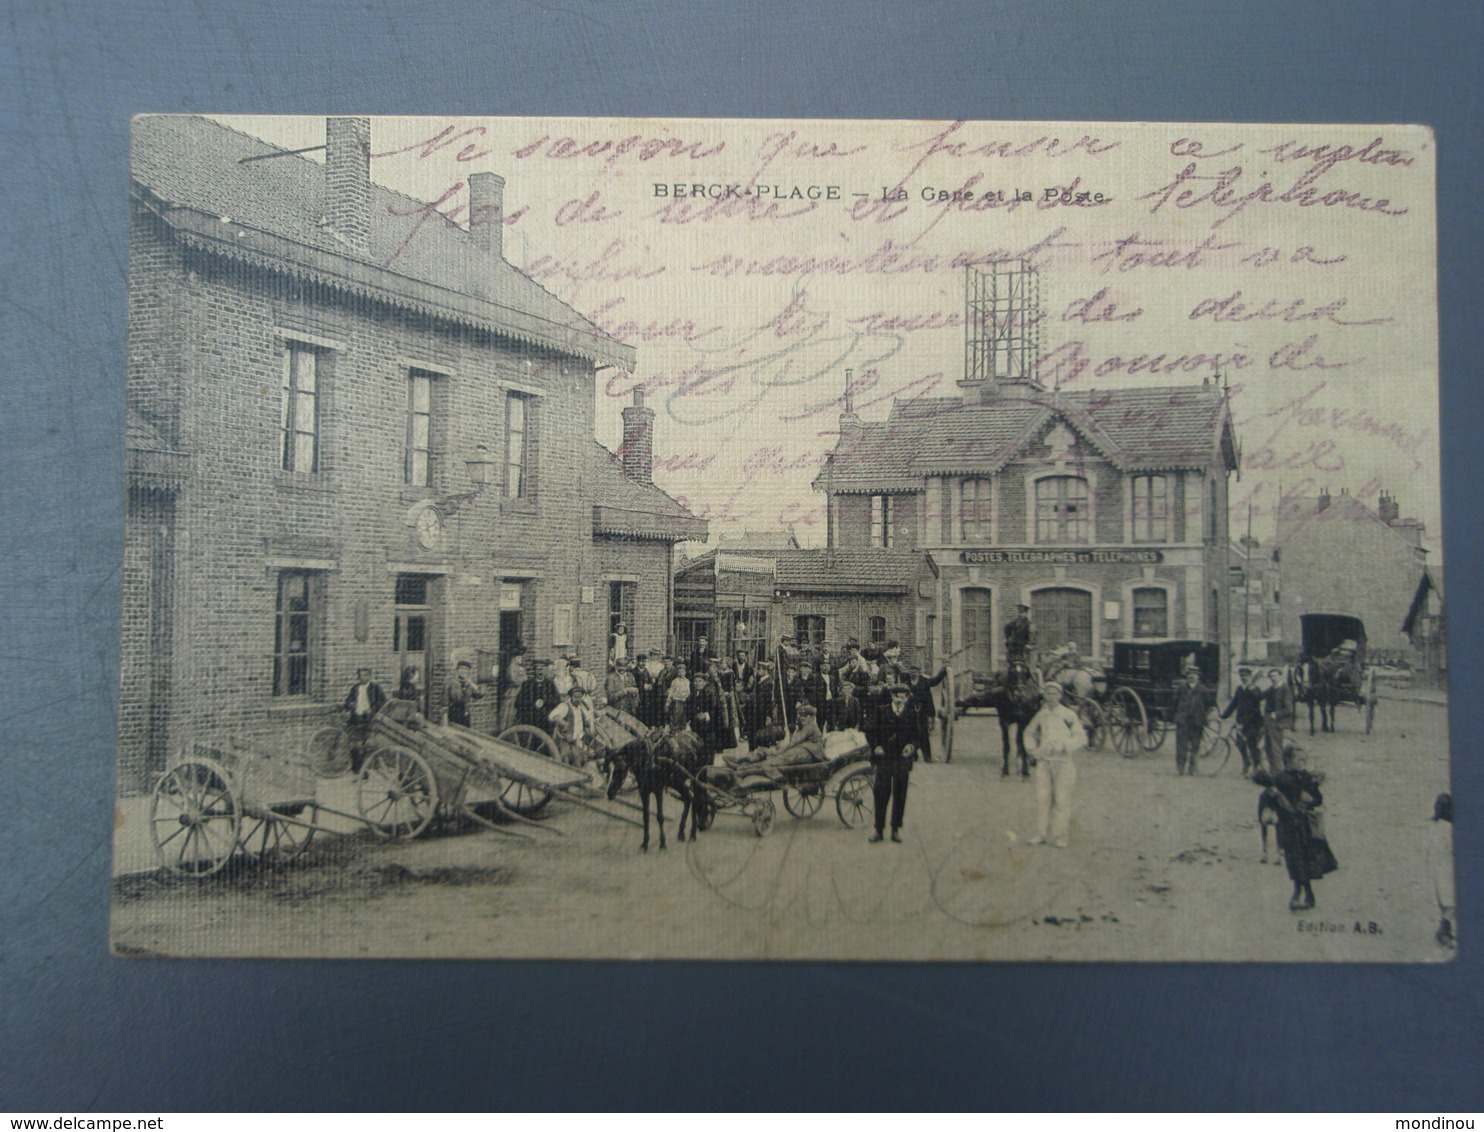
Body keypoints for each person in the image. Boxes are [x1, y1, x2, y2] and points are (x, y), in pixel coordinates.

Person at [1259, 744, 1337, 911]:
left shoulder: (1307, 778)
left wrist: (1311, 799)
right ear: (1288, 761)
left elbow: (1318, 798)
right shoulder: (1280, 779)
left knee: (1303, 860)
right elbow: (1268, 799)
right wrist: (1270, 808)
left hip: (1305, 826)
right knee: (1293, 861)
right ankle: (1304, 893)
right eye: (1298, 759)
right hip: (1287, 827)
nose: (1302, 763)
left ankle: (1301, 893)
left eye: (1304, 760)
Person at [1023, 682, 1084, 848]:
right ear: (1044, 695)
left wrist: (1065, 745)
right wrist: (1032, 750)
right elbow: (1029, 732)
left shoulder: (1068, 715)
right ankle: (1041, 833)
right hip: (1044, 762)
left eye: (1054, 694)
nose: (1050, 697)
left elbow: (1080, 737)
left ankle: (1060, 836)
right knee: (1043, 798)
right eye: (1048, 693)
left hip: (1063, 762)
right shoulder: (1041, 715)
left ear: (1060, 695)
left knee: (1061, 799)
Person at [866, 684, 918, 843]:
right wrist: (876, 746)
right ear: (892, 697)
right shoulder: (881, 711)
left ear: (907, 698)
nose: (900, 700)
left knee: (900, 794)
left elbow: (917, 734)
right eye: (897, 697)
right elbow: (870, 730)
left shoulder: (911, 713)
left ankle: (895, 829)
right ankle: (878, 830)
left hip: (902, 759)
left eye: (903, 697)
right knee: (881, 794)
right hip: (884, 759)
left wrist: (912, 746)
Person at [1221, 666, 1265, 776]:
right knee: (1240, 745)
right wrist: (1224, 715)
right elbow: (1234, 703)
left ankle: (1256, 766)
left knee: (1253, 746)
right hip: (1240, 722)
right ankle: (1246, 763)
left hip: (1253, 723)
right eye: (1242, 676)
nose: (1244, 678)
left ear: (1250, 677)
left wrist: (1244, 724)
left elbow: (1256, 707)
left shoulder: (1255, 689)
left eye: (1246, 676)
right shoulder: (1239, 689)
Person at [1170, 665, 1213, 775]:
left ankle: (1192, 768)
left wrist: (1203, 715)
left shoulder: (1203, 690)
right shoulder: (1181, 688)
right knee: (1181, 745)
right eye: (1189, 675)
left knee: (1195, 745)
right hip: (1183, 720)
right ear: (1186, 677)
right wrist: (1176, 716)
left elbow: (1209, 705)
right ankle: (1180, 768)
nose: (1191, 677)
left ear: (1198, 677)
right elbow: (1174, 703)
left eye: (1194, 675)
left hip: (1197, 722)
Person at [341, 667, 387, 771]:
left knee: (366, 745)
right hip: (356, 718)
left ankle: (365, 769)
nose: (363, 678)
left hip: (369, 719)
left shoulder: (375, 688)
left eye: (365, 675)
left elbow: (383, 702)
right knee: (355, 745)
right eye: (361, 676)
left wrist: (372, 710)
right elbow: (347, 702)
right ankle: (356, 769)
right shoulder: (355, 688)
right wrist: (350, 704)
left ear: (370, 676)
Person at [1427, 792, 1456, 949]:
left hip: (1438, 871)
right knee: (1449, 905)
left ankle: (1444, 932)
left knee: (1446, 905)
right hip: (1446, 870)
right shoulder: (1447, 829)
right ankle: (1444, 933)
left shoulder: (1436, 827)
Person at [905, 665, 949, 762]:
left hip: (923, 710)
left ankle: (927, 756)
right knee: (911, 732)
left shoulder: (924, 681)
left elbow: (935, 681)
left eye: (915, 672)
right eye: (911, 672)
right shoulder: (907, 683)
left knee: (923, 732)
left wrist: (943, 671)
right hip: (911, 711)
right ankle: (913, 755)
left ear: (919, 673)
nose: (913, 674)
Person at [1262, 667, 1294, 775]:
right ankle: (1273, 771)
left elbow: (1289, 709)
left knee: (1276, 748)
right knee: (1268, 747)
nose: (1273, 678)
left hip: (1277, 723)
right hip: (1268, 721)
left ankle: (1280, 773)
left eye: (1275, 676)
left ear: (1280, 676)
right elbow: (1260, 695)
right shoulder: (1272, 688)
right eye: (1271, 676)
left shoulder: (1285, 689)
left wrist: (1275, 714)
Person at [515, 659, 558, 729]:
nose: (540, 672)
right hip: (531, 718)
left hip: (546, 719)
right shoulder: (527, 684)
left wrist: (545, 702)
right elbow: (518, 702)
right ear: (534, 671)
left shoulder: (550, 684)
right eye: (538, 670)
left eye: (542, 670)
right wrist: (533, 703)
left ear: (545, 670)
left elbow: (557, 700)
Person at [444, 659, 484, 728]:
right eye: (461, 668)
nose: (463, 671)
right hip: (453, 713)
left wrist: (471, 683)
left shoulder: (470, 685)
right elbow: (444, 703)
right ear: (457, 670)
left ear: (469, 671)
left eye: (466, 669)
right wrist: (445, 721)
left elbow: (480, 694)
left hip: (465, 713)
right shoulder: (450, 683)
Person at [664, 661, 692, 728]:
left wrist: (687, 697)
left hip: (685, 701)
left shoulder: (687, 681)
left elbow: (689, 691)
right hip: (677, 701)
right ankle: (675, 728)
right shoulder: (675, 681)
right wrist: (667, 703)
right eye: (679, 672)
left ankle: (682, 729)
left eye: (683, 671)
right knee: (676, 716)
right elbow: (671, 692)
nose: (681, 673)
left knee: (684, 717)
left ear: (685, 672)